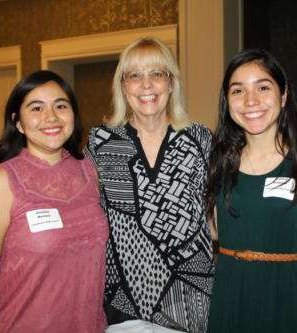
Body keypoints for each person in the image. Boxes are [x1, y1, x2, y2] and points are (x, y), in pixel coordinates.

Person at [85, 37, 213, 333]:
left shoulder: (201, 140)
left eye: (157, 73)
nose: (146, 85)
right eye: (135, 75)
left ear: (171, 82)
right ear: (122, 85)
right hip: (122, 302)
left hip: (190, 299)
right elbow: (83, 211)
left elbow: (221, 208)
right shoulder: (102, 142)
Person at [0, 70, 109, 333]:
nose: (51, 117)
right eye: (36, 107)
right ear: (18, 122)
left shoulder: (89, 172)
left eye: (61, 106)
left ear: (73, 115)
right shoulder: (2, 182)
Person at [206, 49, 297, 333]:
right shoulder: (217, 161)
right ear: (227, 101)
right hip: (231, 295)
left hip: (289, 295)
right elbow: (213, 230)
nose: (251, 101)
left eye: (263, 87)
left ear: (284, 95)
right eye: (238, 90)